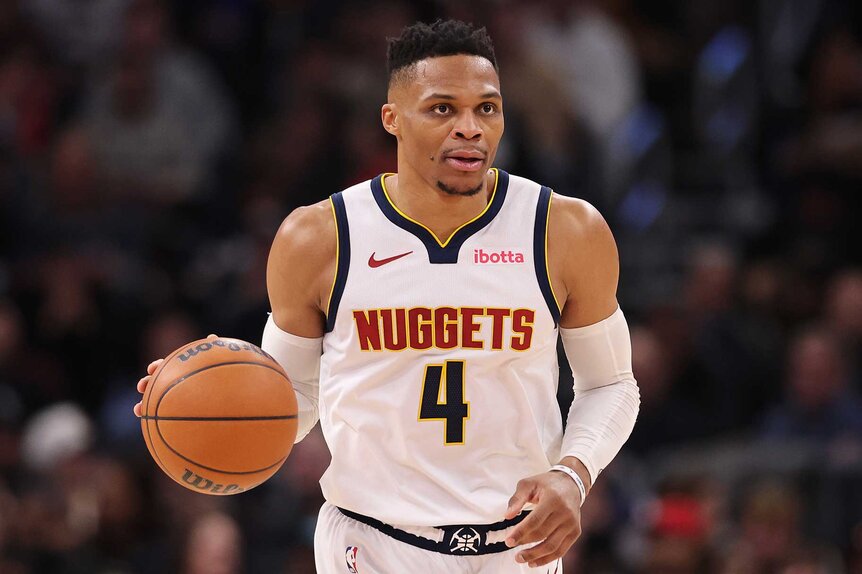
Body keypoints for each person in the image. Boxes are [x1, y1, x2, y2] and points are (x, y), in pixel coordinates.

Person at [135, 19, 640, 573]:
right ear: (391, 119)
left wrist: (574, 474)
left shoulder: (565, 230)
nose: (469, 128)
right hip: (371, 542)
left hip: (517, 549)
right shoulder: (319, 238)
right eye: (442, 108)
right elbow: (291, 404)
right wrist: (214, 393)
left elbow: (612, 383)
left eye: (486, 108)